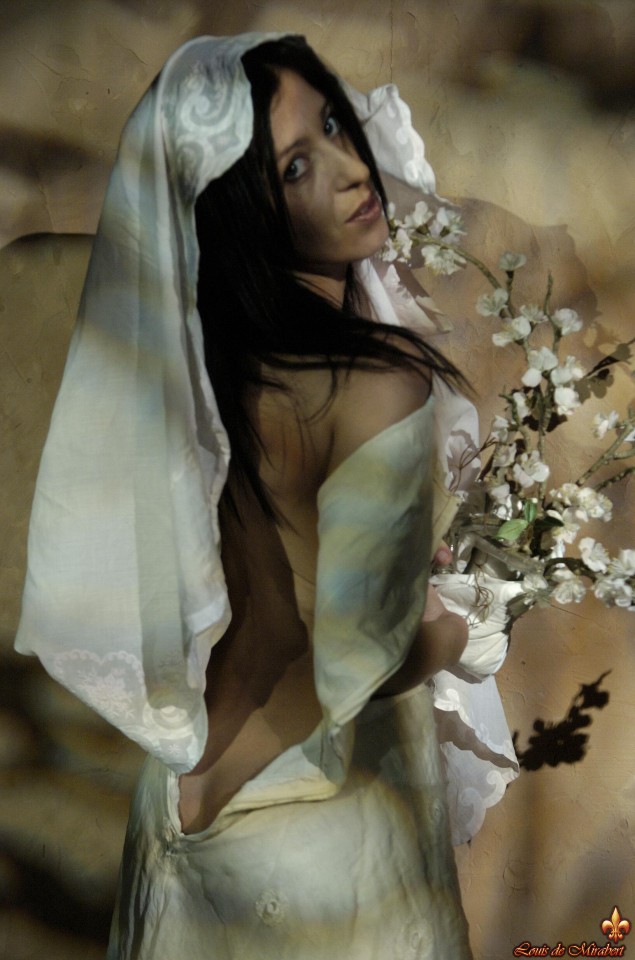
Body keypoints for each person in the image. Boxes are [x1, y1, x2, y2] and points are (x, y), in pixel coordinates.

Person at [16, 32, 475, 959]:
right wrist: (463, 628)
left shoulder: (184, 384)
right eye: (296, 166)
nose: (353, 170)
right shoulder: (376, 387)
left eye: (335, 125)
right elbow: (357, 663)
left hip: (179, 809)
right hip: (317, 835)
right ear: (235, 210)